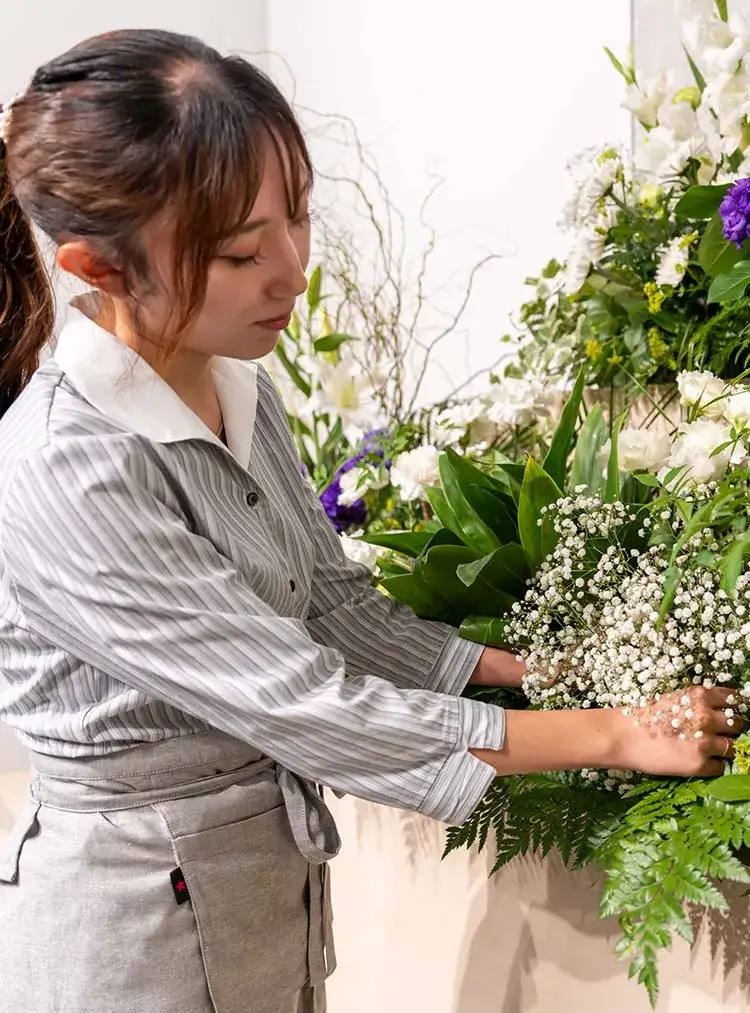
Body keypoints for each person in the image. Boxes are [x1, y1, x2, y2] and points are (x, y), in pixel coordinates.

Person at [0, 28, 738, 1013]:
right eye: (238, 252)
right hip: (130, 930)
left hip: (263, 884)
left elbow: (335, 610)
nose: (290, 271)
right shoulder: (64, 468)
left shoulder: (236, 384)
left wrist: (531, 667)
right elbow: (307, 700)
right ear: (100, 267)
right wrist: (615, 731)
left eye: (295, 219)